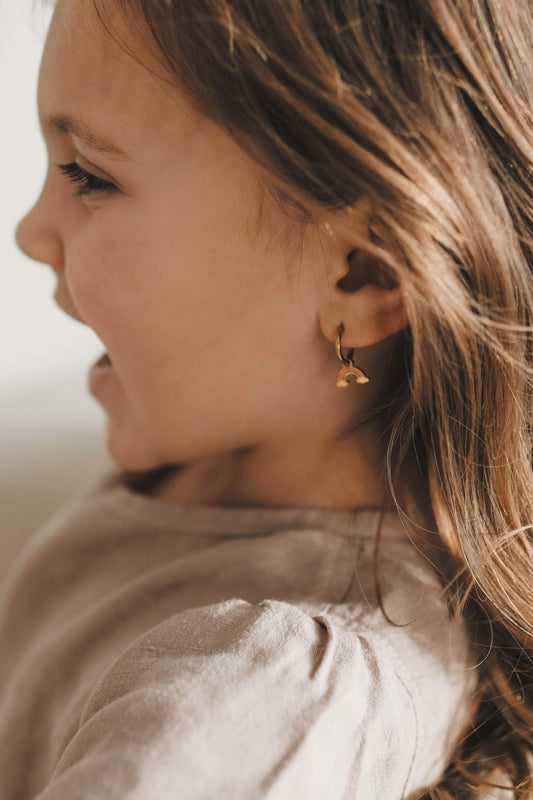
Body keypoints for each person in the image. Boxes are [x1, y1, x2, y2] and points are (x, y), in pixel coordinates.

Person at [1, 0, 532, 796]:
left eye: (89, 176)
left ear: (362, 276)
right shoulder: (205, 466)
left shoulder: (256, 698)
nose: (30, 232)